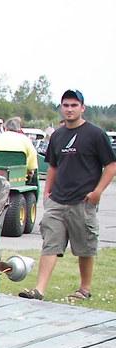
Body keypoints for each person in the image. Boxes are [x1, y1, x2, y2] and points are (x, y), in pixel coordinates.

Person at [19, 89, 116, 302]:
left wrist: (97, 193)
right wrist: (47, 193)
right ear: (61, 108)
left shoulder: (95, 134)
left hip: (83, 201)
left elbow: (111, 165)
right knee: (50, 244)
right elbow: (53, 166)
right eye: (66, 105)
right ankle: (39, 290)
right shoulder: (58, 136)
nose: (69, 109)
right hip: (57, 201)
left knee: (84, 246)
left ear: (83, 108)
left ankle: (84, 288)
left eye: (74, 105)